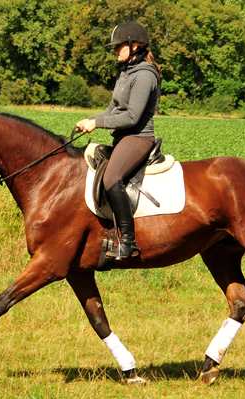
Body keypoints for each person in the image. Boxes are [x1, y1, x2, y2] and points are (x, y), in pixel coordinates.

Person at [76, 21, 161, 259]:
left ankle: (128, 242)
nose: (115, 50)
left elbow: (132, 117)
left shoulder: (144, 75)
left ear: (135, 46)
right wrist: (91, 119)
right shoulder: (126, 73)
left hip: (138, 137)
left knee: (112, 177)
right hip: (123, 138)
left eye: (119, 46)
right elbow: (113, 109)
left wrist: (98, 123)